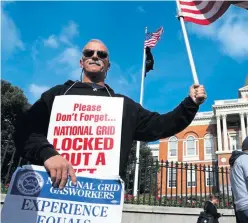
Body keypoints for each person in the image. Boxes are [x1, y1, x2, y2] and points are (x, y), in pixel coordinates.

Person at [13, 38, 207, 191]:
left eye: (101, 54)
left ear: (108, 64)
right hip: (52, 189)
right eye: (89, 53)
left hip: (101, 199)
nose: (95, 56)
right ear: (81, 62)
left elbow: (162, 125)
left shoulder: (123, 106)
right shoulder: (57, 94)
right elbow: (25, 130)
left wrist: (190, 103)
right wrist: (49, 155)